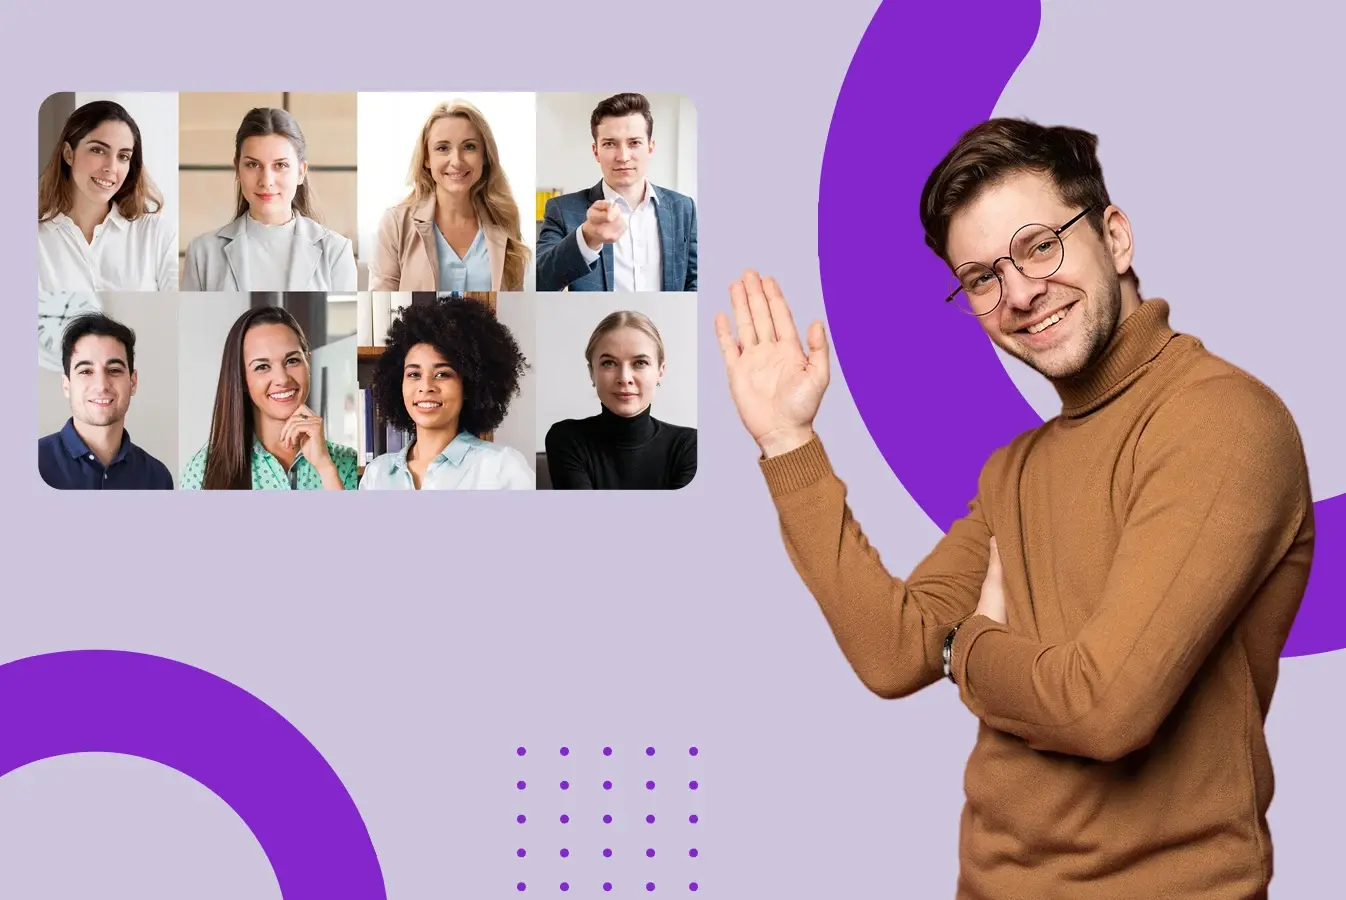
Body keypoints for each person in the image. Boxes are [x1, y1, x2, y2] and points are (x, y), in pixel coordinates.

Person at [715, 119, 1315, 900]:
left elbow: (1104, 709)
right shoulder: (1018, 469)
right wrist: (789, 442)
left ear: (1116, 237)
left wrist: (968, 650)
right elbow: (894, 651)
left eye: (1040, 245)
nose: (1021, 293)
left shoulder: (1221, 421)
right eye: (982, 278)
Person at [359, 295, 534, 489]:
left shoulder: (501, 468)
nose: (426, 386)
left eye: (442, 374)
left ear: (468, 385)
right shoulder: (376, 474)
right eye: (414, 374)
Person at [181, 305, 357, 490]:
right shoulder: (203, 471)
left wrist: (325, 468)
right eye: (262, 367)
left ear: (308, 363)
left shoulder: (347, 463)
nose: (282, 379)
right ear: (241, 379)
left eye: (292, 361)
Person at [181, 107, 356, 292]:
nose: (266, 181)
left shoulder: (336, 251)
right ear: (237, 169)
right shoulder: (202, 252)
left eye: (280, 165)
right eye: (253, 164)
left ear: (301, 172)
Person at [536, 93, 697, 292]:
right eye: (610, 144)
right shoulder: (562, 209)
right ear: (596, 151)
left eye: (634, 143)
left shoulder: (683, 208)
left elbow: (695, 281)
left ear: (650, 147)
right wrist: (587, 238)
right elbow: (539, 282)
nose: (622, 157)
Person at [368, 100, 532, 292]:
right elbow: (383, 307)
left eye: (469, 147)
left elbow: (516, 307)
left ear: (485, 156)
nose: (457, 161)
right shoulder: (395, 223)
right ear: (427, 158)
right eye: (442, 148)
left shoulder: (504, 217)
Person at [545, 310, 696, 490]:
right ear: (592, 372)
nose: (624, 378)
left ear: (660, 371)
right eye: (609, 363)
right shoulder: (566, 438)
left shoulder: (690, 445)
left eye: (640, 363)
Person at [37, 100, 177, 292]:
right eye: (98, 150)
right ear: (69, 154)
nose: (111, 167)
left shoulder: (157, 234)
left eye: (123, 156)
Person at [39, 312, 173, 489]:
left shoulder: (157, 477)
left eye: (114, 370)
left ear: (133, 382)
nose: (101, 385)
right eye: (86, 371)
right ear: (66, 385)